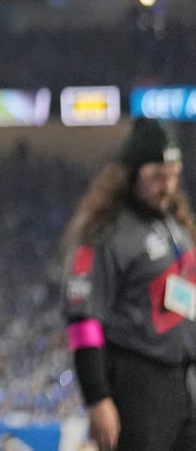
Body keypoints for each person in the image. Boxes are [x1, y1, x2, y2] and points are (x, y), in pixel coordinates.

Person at [62, 119, 196, 451]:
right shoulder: (105, 234)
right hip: (138, 381)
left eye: (173, 174)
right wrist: (97, 397)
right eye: (156, 177)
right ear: (132, 175)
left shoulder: (174, 227)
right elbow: (82, 319)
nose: (167, 186)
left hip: (184, 381)